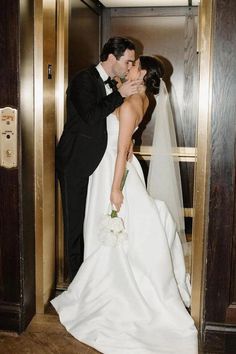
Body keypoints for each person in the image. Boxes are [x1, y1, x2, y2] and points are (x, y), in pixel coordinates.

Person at [52, 56, 198, 353]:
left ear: (142, 72)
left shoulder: (132, 103)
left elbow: (120, 151)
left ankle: (113, 290)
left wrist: (116, 189)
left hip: (113, 172)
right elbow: (126, 132)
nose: (128, 68)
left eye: (133, 65)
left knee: (115, 230)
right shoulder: (142, 99)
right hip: (111, 166)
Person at [56, 37, 141, 281]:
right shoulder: (83, 79)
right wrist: (120, 94)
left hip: (98, 164)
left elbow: (111, 121)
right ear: (112, 58)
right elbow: (91, 116)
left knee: (90, 222)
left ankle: (92, 276)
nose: (129, 66)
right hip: (75, 162)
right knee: (75, 225)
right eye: (128, 61)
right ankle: (75, 282)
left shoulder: (113, 83)